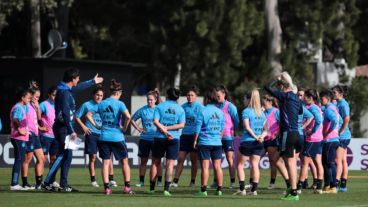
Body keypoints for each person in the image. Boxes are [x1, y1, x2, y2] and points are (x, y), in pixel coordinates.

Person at [42, 68, 103, 192]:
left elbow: (78, 87)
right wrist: (71, 130)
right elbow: (65, 113)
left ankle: (63, 184)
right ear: (72, 79)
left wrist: (92, 81)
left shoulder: (65, 89)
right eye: (77, 78)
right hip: (63, 128)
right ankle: (47, 182)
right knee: (62, 155)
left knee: (67, 155)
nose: (78, 80)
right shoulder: (64, 92)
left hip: (64, 127)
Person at [264, 71, 302, 201]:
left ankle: (294, 192)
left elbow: (267, 87)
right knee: (276, 158)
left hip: (288, 133)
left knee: (290, 163)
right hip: (296, 133)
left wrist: (276, 79)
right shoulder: (296, 97)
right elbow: (301, 110)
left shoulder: (284, 96)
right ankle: (290, 187)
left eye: (279, 85)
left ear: (282, 85)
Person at [91, 79, 132, 195]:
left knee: (105, 163)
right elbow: (128, 117)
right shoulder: (120, 104)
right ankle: (127, 187)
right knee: (124, 162)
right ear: (118, 92)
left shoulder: (102, 103)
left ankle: (107, 188)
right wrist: (124, 129)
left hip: (103, 137)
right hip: (117, 137)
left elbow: (89, 115)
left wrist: (97, 126)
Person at [76, 86, 116, 188]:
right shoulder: (86, 105)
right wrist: (84, 127)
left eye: (101, 95)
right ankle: (93, 180)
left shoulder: (105, 105)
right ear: (93, 95)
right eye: (97, 95)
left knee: (108, 157)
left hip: (104, 134)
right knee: (92, 157)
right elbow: (77, 117)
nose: (99, 97)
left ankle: (111, 179)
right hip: (92, 134)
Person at [149, 88, 185, 196]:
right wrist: (168, 130)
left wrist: (164, 129)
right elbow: (181, 125)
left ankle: (151, 189)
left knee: (155, 162)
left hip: (159, 137)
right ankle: (166, 189)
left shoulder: (159, 106)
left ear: (167, 96)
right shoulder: (180, 109)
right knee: (170, 164)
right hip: (174, 138)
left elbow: (155, 121)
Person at [234, 89, 268, 196]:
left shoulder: (246, 111)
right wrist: (261, 137)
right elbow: (266, 129)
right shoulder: (261, 113)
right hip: (258, 143)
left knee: (240, 165)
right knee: (255, 165)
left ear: (248, 99)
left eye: (244, 98)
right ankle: (254, 190)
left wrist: (255, 137)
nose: (243, 100)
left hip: (247, 142)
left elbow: (247, 127)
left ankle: (242, 189)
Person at [194, 89, 225, 196]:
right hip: (217, 143)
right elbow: (222, 129)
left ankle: (203, 190)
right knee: (218, 166)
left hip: (205, 142)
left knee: (205, 167)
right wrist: (217, 139)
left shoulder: (202, 111)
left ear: (206, 99)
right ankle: (219, 190)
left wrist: (195, 140)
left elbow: (197, 128)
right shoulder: (220, 112)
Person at [171, 86, 204, 188]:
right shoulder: (182, 107)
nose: (189, 97)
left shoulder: (200, 107)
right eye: (188, 95)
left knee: (194, 160)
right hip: (184, 136)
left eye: (192, 95)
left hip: (194, 136)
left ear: (196, 96)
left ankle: (192, 181)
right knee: (180, 158)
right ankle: (175, 181)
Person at [130, 89, 163, 187]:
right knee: (143, 161)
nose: (150, 101)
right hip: (144, 139)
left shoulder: (159, 109)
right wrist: (138, 128)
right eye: (148, 100)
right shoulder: (143, 110)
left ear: (156, 100)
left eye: (151, 100)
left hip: (157, 139)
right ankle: (141, 182)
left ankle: (160, 181)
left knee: (157, 161)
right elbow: (132, 119)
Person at [212, 85, 239, 188]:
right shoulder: (214, 106)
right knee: (216, 160)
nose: (216, 97)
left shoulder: (230, 106)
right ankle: (216, 182)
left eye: (218, 95)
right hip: (216, 137)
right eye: (215, 95)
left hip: (228, 136)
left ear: (224, 94)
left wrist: (232, 131)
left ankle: (232, 182)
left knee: (230, 159)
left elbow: (236, 121)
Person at [298, 89, 324, 194]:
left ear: (310, 98)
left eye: (305, 96)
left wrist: (311, 131)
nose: (303, 98)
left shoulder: (313, 107)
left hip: (312, 139)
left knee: (304, 163)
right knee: (317, 162)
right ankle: (319, 187)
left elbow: (318, 120)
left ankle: (298, 188)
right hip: (318, 138)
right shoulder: (315, 107)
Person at [262, 95, 290, 190]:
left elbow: (283, 124)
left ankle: (272, 182)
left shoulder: (276, 112)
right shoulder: (262, 112)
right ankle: (252, 182)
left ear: (270, 102)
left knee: (273, 161)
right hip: (263, 140)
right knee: (255, 159)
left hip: (273, 140)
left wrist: (276, 134)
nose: (263, 101)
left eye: (265, 100)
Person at [22, 81, 45, 189]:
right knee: (28, 159)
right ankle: (25, 183)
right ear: (31, 96)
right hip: (29, 135)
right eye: (36, 97)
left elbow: (39, 119)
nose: (37, 99)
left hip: (36, 135)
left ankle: (39, 183)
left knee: (42, 159)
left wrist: (38, 107)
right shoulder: (26, 106)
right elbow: (22, 119)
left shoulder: (35, 105)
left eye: (39, 97)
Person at [9, 87, 31, 190]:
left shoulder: (22, 107)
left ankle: (16, 183)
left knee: (20, 159)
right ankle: (14, 184)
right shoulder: (18, 107)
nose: (29, 100)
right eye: (28, 98)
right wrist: (19, 129)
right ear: (22, 98)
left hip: (21, 138)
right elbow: (15, 119)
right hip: (18, 138)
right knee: (19, 159)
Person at [39, 86, 60, 188]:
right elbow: (35, 117)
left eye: (56, 95)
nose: (55, 97)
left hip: (56, 136)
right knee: (42, 159)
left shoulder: (59, 105)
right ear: (49, 94)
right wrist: (40, 127)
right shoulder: (43, 105)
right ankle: (40, 182)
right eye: (53, 95)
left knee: (54, 159)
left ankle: (51, 180)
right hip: (45, 136)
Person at [320, 90, 340, 194]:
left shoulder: (329, 110)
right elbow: (339, 121)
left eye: (322, 99)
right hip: (333, 139)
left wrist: (328, 131)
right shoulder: (333, 108)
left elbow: (335, 121)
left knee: (329, 163)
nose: (321, 100)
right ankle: (327, 185)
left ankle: (333, 186)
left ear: (328, 99)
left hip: (330, 140)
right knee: (326, 163)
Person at [332, 85, 351, 192]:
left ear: (340, 93)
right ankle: (343, 185)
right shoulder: (337, 103)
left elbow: (347, 119)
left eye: (334, 92)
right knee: (343, 160)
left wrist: (340, 131)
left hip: (343, 136)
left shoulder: (343, 104)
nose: (333, 94)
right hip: (343, 136)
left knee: (337, 160)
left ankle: (336, 184)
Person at [296, 88, 316, 191]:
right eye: (298, 95)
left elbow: (314, 118)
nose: (300, 97)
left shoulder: (309, 107)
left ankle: (315, 182)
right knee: (306, 161)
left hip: (308, 137)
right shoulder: (301, 106)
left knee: (308, 161)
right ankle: (304, 183)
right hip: (303, 136)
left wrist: (304, 127)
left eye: (301, 95)